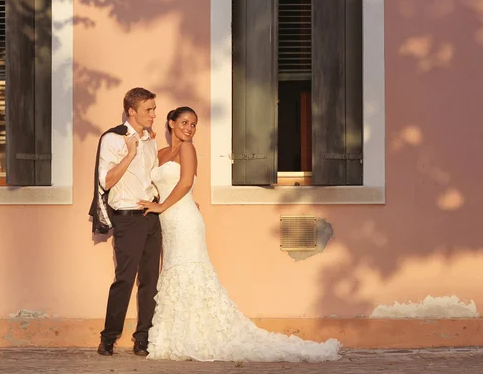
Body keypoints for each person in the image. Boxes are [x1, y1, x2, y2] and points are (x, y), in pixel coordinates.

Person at [138, 106, 342, 363]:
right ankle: (179, 334)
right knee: (174, 272)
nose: (189, 128)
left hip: (184, 220)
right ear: (170, 123)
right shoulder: (160, 153)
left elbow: (186, 182)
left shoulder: (187, 149)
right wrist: (153, 202)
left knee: (190, 271)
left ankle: (200, 335)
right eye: (185, 122)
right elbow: (157, 184)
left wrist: (161, 206)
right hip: (168, 223)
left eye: (194, 124)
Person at [96, 87, 161, 357]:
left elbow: (152, 178)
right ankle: (108, 338)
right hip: (127, 219)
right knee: (124, 279)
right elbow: (106, 181)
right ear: (131, 111)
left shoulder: (150, 140)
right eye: (149, 109)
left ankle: (142, 338)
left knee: (150, 281)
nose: (154, 114)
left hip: (151, 218)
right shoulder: (113, 139)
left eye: (155, 109)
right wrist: (130, 153)